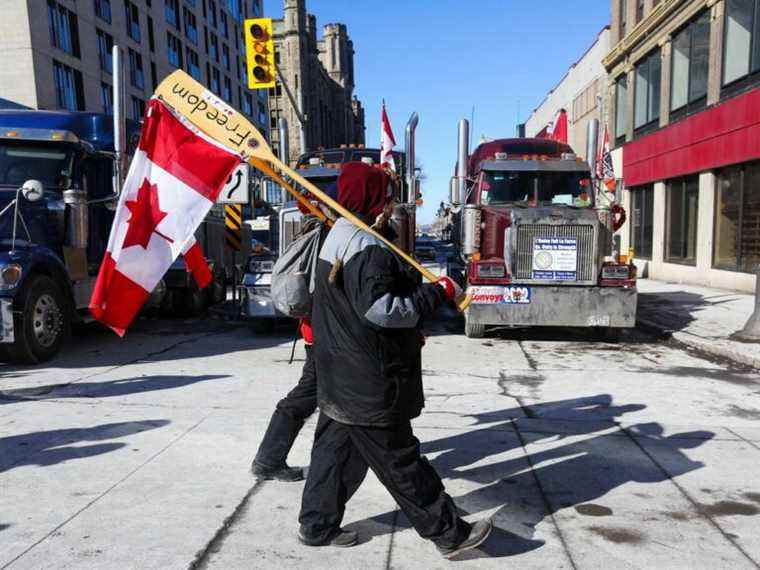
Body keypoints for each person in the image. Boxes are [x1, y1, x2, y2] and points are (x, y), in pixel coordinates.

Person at [298, 162, 493, 558]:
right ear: (372, 199)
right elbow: (382, 310)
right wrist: (437, 293)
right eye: (384, 195)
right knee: (401, 462)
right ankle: (450, 534)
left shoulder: (337, 235)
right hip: (368, 379)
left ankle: (316, 526)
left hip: (338, 372)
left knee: (333, 453)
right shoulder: (366, 246)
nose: (389, 204)